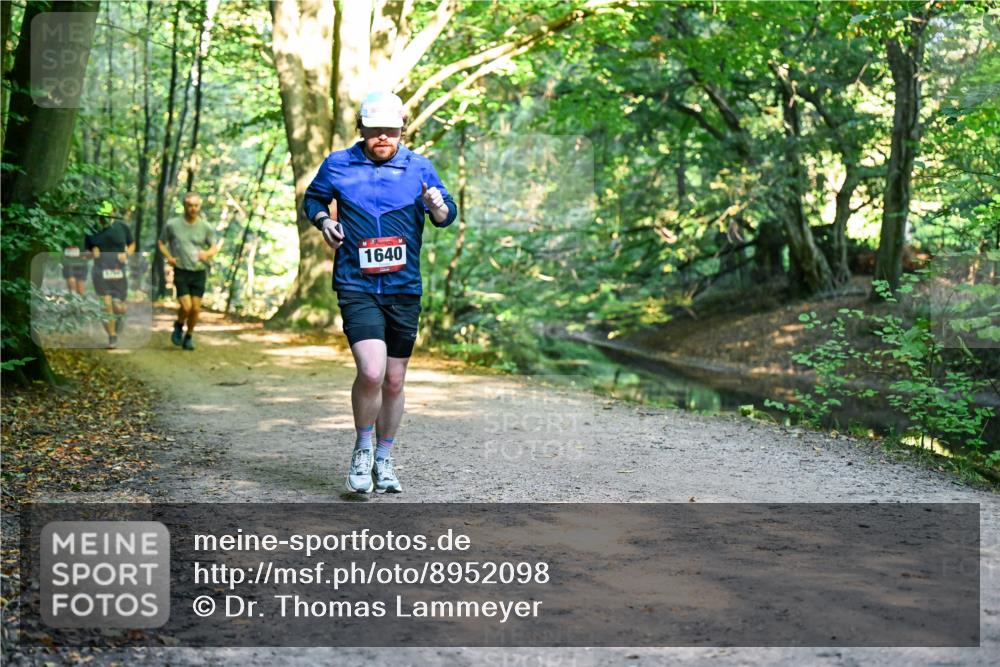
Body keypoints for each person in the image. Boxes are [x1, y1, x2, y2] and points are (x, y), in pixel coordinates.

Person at [302, 90, 457, 494]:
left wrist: (437, 204)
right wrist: (324, 221)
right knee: (370, 371)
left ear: (402, 130)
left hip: (404, 287)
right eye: (374, 131)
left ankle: (385, 457)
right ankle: (363, 448)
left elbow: (445, 216)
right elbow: (314, 199)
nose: (383, 137)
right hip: (357, 283)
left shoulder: (418, 167)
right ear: (362, 130)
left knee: (393, 380)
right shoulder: (339, 164)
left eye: (390, 130)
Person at [157, 192, 219, 351]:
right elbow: (161, 243)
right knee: (186, 307)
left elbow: (213, 247)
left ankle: (189, 336)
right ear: (184, 206)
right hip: (181, 270)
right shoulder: (172, 225)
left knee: (196, 309)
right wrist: (169, 257)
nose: (193, 208)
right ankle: (178, 325)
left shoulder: (205, 227)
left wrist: (207, 254)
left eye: (196, 205)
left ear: (199, 206)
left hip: (199, 272)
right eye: (190, 205)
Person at [86, 216, 134, 349]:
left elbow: (132, 244)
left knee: (119, 307)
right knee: (106, 304)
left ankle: (119, 319)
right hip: (100, 272)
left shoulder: (122, 226)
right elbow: (86, 252)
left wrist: (126, 254)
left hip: (118, 272)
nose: (103, 219)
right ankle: (112, 336)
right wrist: (92, 252)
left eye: (106, 216)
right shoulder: (92, 228)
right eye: (101, 217)